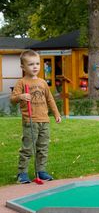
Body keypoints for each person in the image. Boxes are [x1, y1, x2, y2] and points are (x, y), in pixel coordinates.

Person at [10, 50, 62, 184]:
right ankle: (22, 173)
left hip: (44, 120)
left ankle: (41, 171)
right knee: (28, 148)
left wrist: (56, 114)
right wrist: (21, 96)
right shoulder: (21, 82)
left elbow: (50, 99)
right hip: (30, 121)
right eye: (31, 64)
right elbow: (13, 99)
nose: (35, 67)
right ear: (23, 67)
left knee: (43, 147)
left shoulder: (43, 83)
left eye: (37, 64)